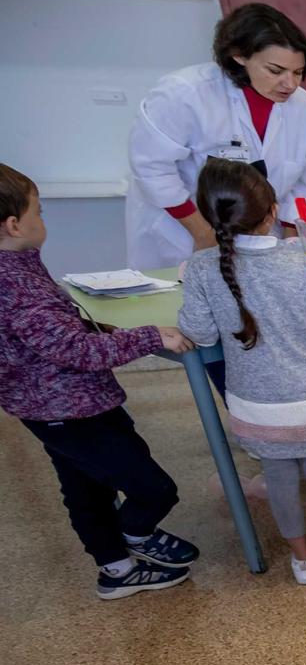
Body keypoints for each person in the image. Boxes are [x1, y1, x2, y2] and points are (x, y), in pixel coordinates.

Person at [0, 163, 201, 597]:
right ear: (14, 224)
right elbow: (74, 351)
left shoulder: (17, 269)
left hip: (60, 407)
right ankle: (135, 536)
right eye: (39, 210)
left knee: (86, 489)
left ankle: (116, 570)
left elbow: (53, 337)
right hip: (67, 410)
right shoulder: (15, 285)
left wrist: (95, 328)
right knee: (153, 489)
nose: (42, 219)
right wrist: (149, 336)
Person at [175, 160, 306, 584]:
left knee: (278, 479)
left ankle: (303, 562)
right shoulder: (300, 263)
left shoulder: (203, 268)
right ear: (273, 211)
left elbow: (200, 333)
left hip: (255, 403)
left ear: (209, 215)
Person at [126, 3, 306, 269]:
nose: (290, 84)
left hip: (262, 238)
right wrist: (202, 234)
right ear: (239, 55)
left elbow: (305, 179)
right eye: (275, 71)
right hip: (181, 232)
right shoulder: (184, 94)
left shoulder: (304, 107)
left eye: (298, 72)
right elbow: (152, 169)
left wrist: (291, 243)